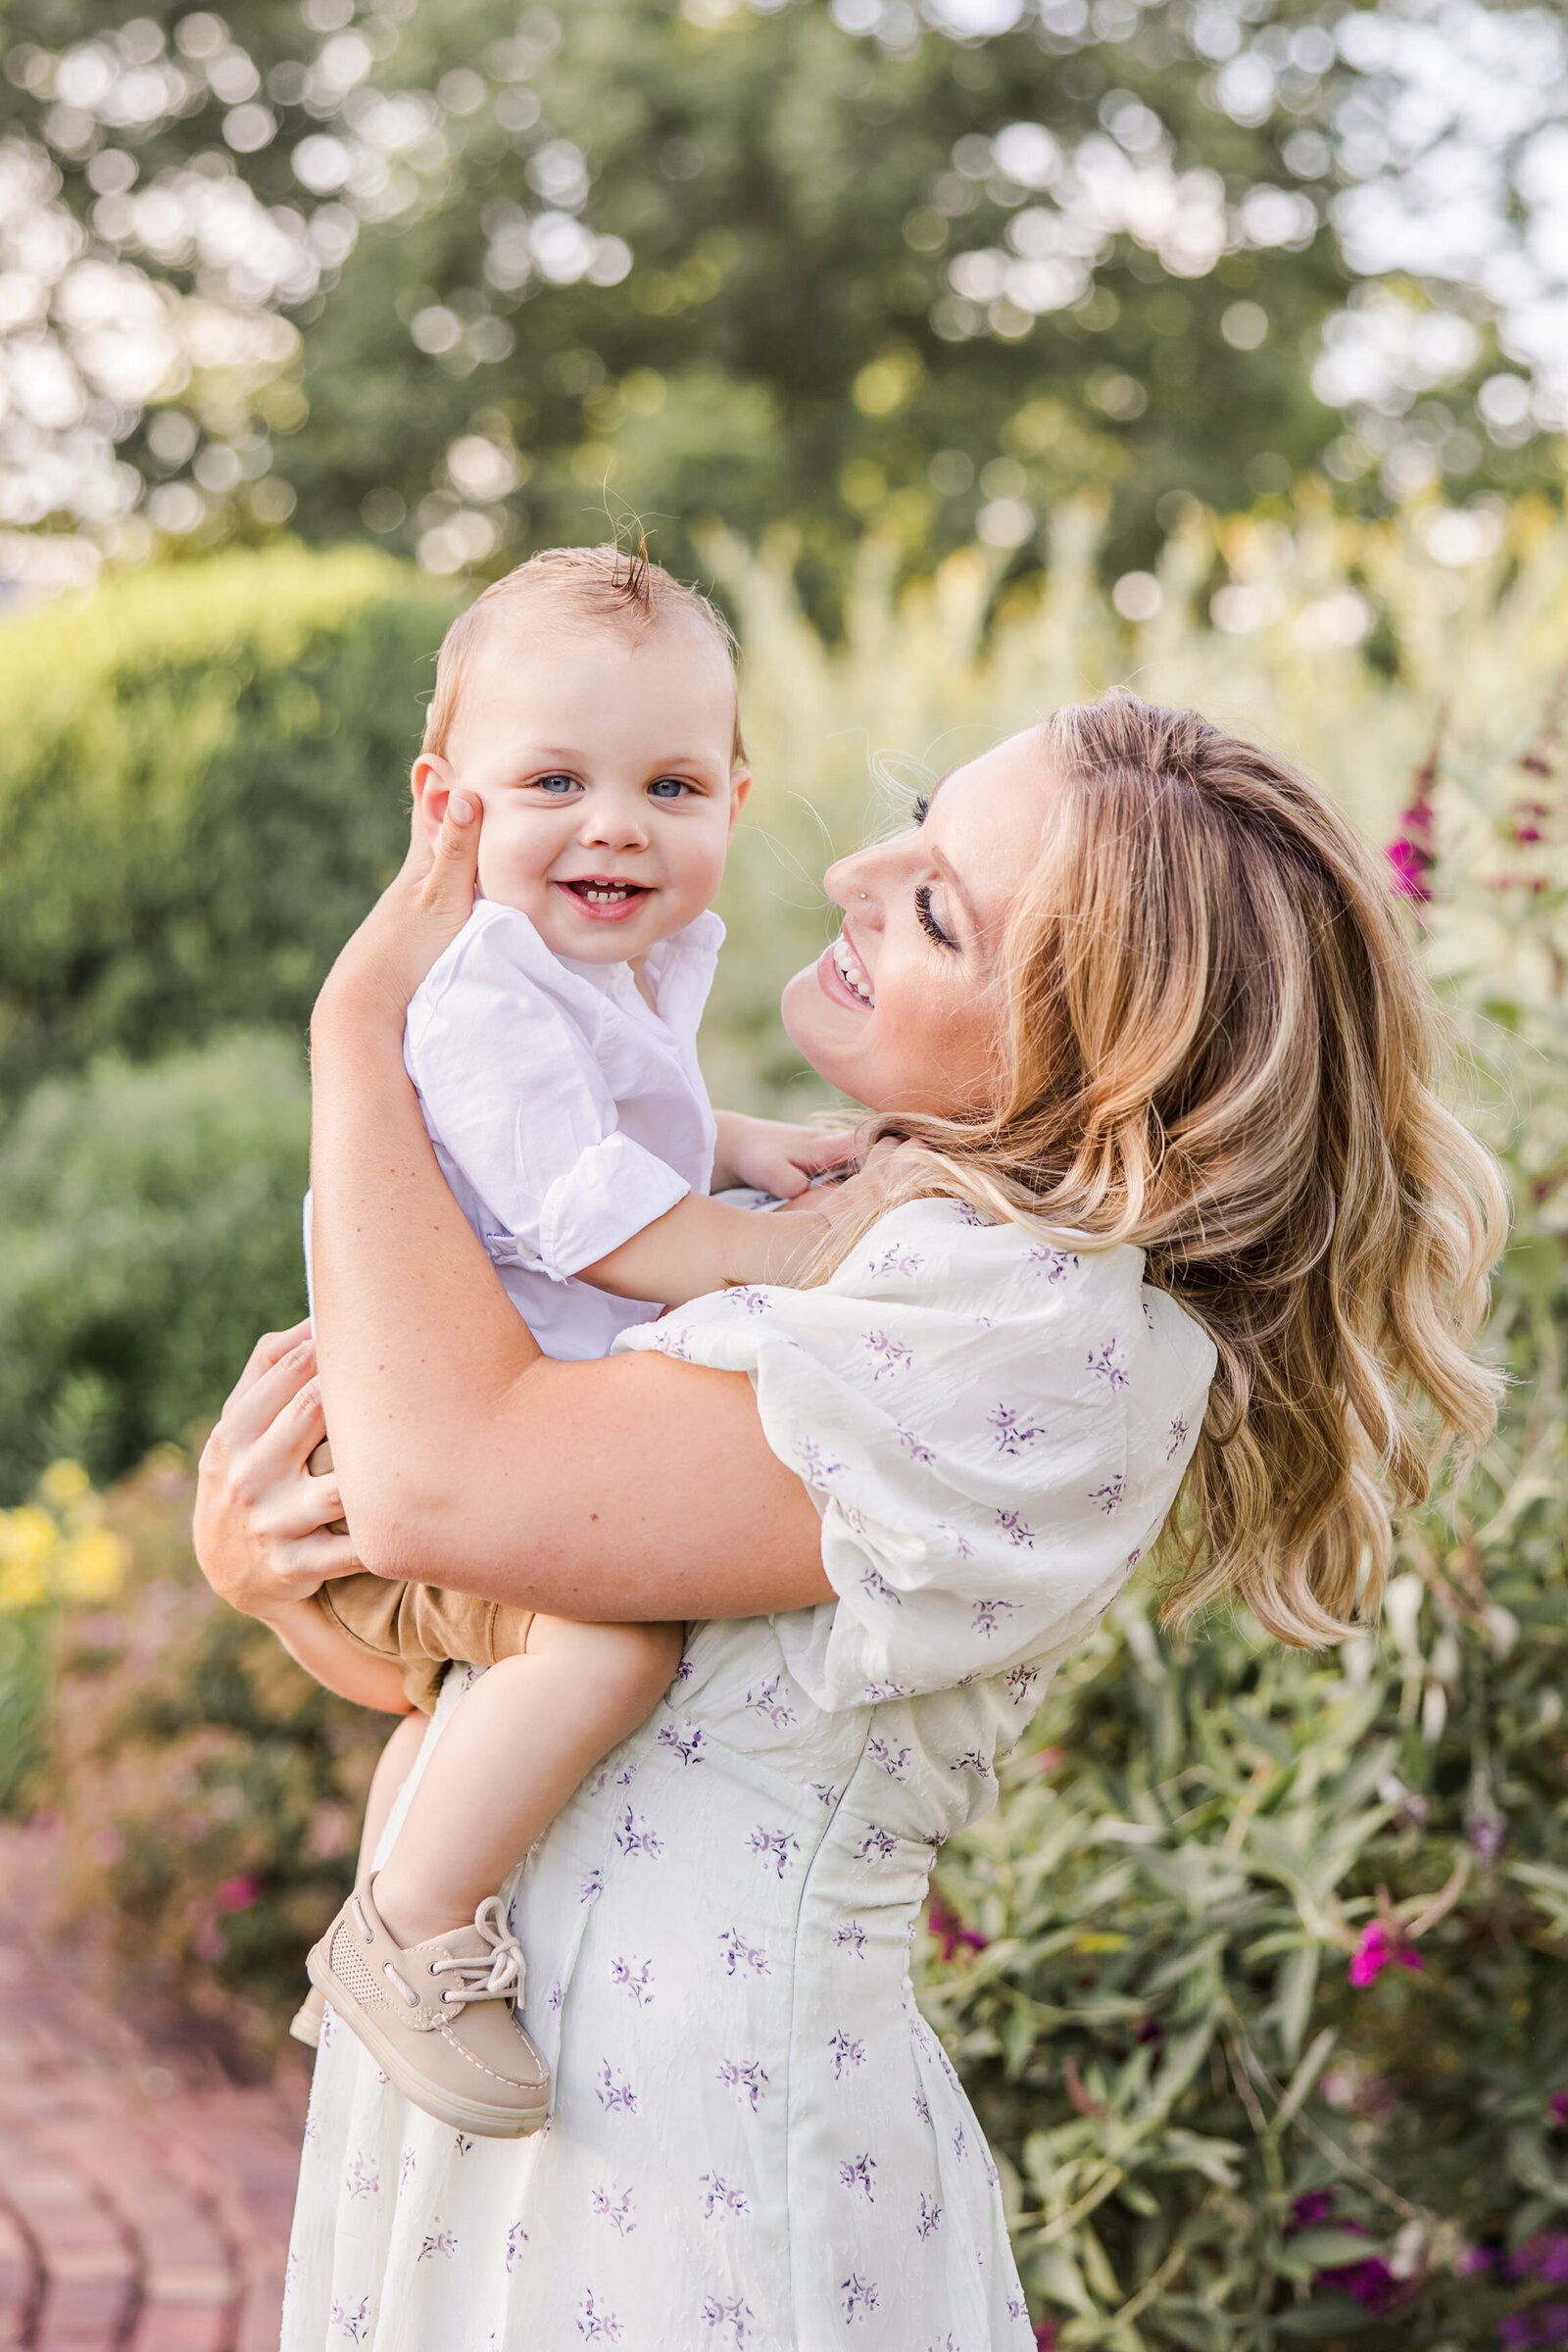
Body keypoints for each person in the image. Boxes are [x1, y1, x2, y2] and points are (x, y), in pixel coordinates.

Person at [196, 690, 1504, 2350]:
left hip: (686, 2177)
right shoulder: (830, 1221)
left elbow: (444, 1481)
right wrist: (269, 1573)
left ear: (1090, 1050)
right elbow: (523, 1663)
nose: (850, 880)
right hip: (514, 2101)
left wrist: (357, 1029)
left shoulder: (1029, 1324)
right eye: (911, 820)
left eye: (939, 904)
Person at [278, 543, 852, 2130]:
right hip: (412, 1422)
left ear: (735, 800)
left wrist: (728, 1139)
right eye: (553, 780)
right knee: (604, 1637)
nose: (615, 822)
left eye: (670, 784)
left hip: (465, 1406)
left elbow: (601, 1123)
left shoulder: (590, 973)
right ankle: (406, 1936)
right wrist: (767, 1253)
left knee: (498, 1678)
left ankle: (395, 1898)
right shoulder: (479, 991)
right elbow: (579, 1210)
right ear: (446, 808)